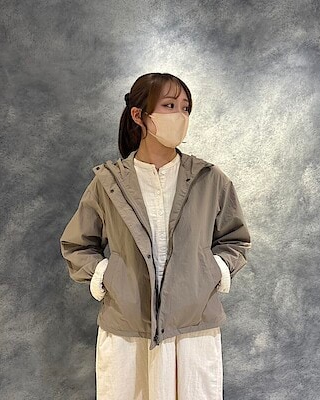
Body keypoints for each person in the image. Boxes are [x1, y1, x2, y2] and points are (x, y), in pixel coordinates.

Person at [59, 72, 252, 400]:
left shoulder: (210, 180)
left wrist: (213, 270)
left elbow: (235, 239)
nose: (181, 116)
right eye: (169, 106)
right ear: (139, 115)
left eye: (186, 108)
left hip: (193, 330)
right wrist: (107, 275)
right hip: (127, 331)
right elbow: (78, 244)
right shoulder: (109, 183)